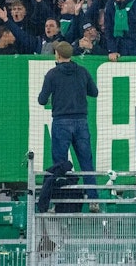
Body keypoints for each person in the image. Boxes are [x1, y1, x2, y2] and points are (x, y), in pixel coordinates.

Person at [37, 41, 100, 212]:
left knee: (60, 164)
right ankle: (93, 200)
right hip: (81, 121)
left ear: (57, 55)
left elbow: (42, 99)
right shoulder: (82, 72)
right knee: (86, 162)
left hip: (61, 122)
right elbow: (94, 92)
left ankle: (62, 202)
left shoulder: (52, 74)